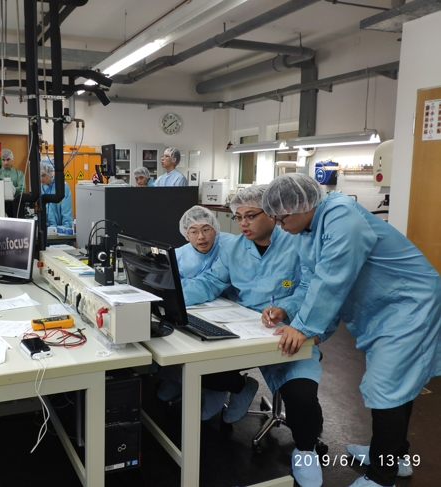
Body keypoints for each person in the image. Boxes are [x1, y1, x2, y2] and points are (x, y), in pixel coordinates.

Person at [261, 173, 441, 487]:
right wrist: (293, 312)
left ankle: (381, 477)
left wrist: (304, 327)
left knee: (387, 385)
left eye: (281, 217)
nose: (278, 224)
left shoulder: (341, 215)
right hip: (384, 309)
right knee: (397, 383)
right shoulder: (305, 232)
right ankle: (394, 455)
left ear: (302, 206)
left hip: (410, 304)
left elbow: (333, 278)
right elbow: (313, 282)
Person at [183, 185, 334, 487]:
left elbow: (312, 288)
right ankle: (240, 387)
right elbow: (211, 281)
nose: (243, 224)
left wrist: (286, 307)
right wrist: (168, 297)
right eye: (238, 217)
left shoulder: (297, 242)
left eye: (250, 216)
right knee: (196, 367)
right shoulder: (234, 249)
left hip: (290, 332)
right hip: (244, 331)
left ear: (273, 213)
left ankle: (306, 452)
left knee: (301, 397)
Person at [158, 206, 254, 422]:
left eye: (206, 229)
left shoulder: (231, 245)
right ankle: (180, 381)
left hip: (234, 311)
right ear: (186, 234)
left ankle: (229, 386)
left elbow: (213, 282)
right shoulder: (180, 255)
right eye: (193, 231)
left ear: (215, 228)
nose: (201, 237)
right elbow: (174, 283)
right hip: (201, 309)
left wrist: (178, 298)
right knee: (174, 341)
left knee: (209, 348)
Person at [40, 161, 73, 229]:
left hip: (60, 229)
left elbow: (66, 210)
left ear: (50, 174)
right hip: (46, 227)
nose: (41, 179)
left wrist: (65, 228)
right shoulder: (41, 187)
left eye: (43, 175)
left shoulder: (62, 186)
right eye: (39, 175)